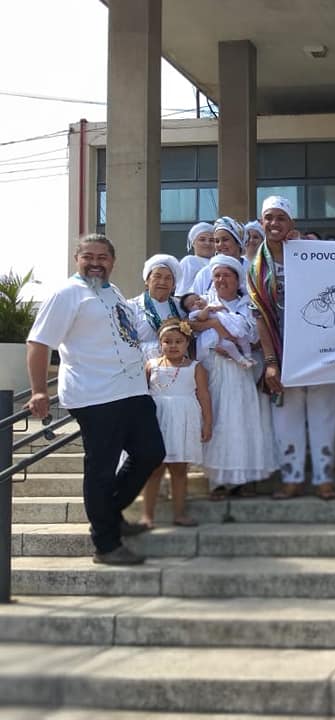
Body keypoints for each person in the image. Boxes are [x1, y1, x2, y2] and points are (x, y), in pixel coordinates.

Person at [25, 234, 165, 565]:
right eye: (88, 256)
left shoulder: (113, 292)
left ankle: (108, 514)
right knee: (101, 469)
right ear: (77, 259)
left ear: (112, 261)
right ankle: (106, 544)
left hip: (132, 390)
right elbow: (39, 342)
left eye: (102, 257)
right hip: (95, 394)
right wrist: (39, 390)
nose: (95, 263)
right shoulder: (67, 294)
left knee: (151, 452)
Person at [249, 195, 335, 500]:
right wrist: (271, 362)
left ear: (292, 223)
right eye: (269, 218)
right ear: (261, 222)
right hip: (282, 353)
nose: (274, 223)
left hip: (319, 351)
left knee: (323, 415)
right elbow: (259, 317)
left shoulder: (310, 255)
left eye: (281, 218)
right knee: (286, 420)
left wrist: (306, 248)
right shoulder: (256, 267)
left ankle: (324, 478)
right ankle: (292, 478)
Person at [193, 254, 275, 498]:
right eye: (217, 275)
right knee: (218, 420)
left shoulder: (248, 304)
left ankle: (245, 478)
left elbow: (256, 336)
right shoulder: (204, 302)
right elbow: (190, 327)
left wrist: (230, 339)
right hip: (213, 370)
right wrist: (215, 329)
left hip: (242, 371)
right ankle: (217, 481)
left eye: (226, 275)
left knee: (243, 422)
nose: (221, 280)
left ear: (237, 279)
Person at [139, 318, 212, 528]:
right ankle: (147, 515)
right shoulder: (151, 365)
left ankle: (179, 513)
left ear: (187, 343)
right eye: (167, 341)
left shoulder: (195, 367)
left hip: (183, 421)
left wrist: (208, 422)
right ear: (160, 343)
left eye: (178, 341)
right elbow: (141, 394)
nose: (173, 346)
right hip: (157, 419)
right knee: (155, 469)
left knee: (179, 469)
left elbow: (204, 396)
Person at [180, 292, 255, 368]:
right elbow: (202, 317)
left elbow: (224, 308)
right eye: (192, 304)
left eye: (198, 299)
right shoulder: (195, 314)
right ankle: (241, 360)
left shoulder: (212, 304)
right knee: (229, 345)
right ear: (189, 311)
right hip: (216, 336)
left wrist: (219, 307)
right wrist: (208, 309)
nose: (197, 302)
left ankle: (248, 356)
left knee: (243, 338)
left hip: (229, 326)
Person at [132, 254, 184, 362]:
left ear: (173, 285)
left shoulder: (181, 307)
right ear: (147, 281)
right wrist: (157, 348)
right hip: (142, 366)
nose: (162, 282)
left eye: (168, 278)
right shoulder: (132, 306)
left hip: (175, 367)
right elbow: (126, 343)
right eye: (157, 276)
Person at [190, 216, 249, 295]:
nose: (220, 244)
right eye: (217, 241)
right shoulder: (205, 273)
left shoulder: (252, 271)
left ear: (238, 242)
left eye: (225, 239)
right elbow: (195, 300)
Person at [178, 222, 215, 295]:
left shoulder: (220, 262)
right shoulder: (189, 261)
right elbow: (182, 292)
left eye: (211, 240)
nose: (207, 243)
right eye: (202, 240)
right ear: (193, 243)